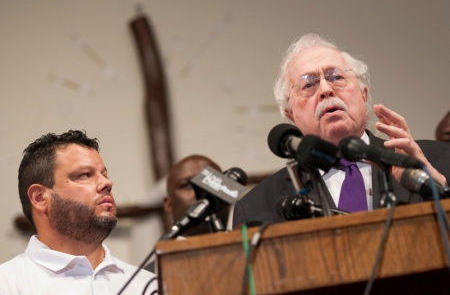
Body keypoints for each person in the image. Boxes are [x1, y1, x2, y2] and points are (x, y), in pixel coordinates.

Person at [233, 34, 450, 226]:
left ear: (363, 95)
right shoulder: (257, 207)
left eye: (336, 77)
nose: (326, 90)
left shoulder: (440, 160)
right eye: (308, 85)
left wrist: (436, 188)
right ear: (291, 115)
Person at [0, 130, 157, 295]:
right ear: (40, 198)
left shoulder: (150, 286)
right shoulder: (7, 284)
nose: (107, 183)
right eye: (85, 175)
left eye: (104, 175)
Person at [144, 155, 226, 272]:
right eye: (187, 185)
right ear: (169, 204)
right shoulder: (149, 277)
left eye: (212, 182)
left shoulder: (253, 252)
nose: (203, 192)